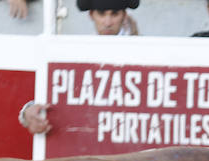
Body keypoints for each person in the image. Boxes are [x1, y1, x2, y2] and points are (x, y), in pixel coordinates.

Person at [17, 0, 140, 135]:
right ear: (91, 15)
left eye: (114, 14)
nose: (108, 22)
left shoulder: (143, 51)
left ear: (124, 15)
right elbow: (61, 94)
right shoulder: (78, 52)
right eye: (101, 14)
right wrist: (27, 113)